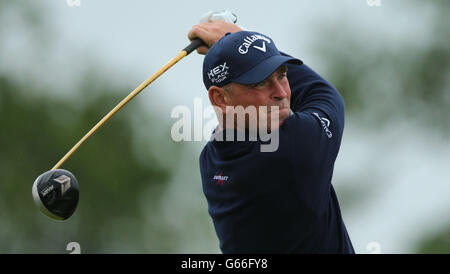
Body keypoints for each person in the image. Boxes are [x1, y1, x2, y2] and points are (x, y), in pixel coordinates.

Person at [188, 20, 355, 254]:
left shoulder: (211, 160)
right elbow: (323, 95)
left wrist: (241, 46)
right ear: (220, 99)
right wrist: (237, 36)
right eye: (260, 83)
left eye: (282, 75)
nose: (281, 93)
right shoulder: (294, 147)